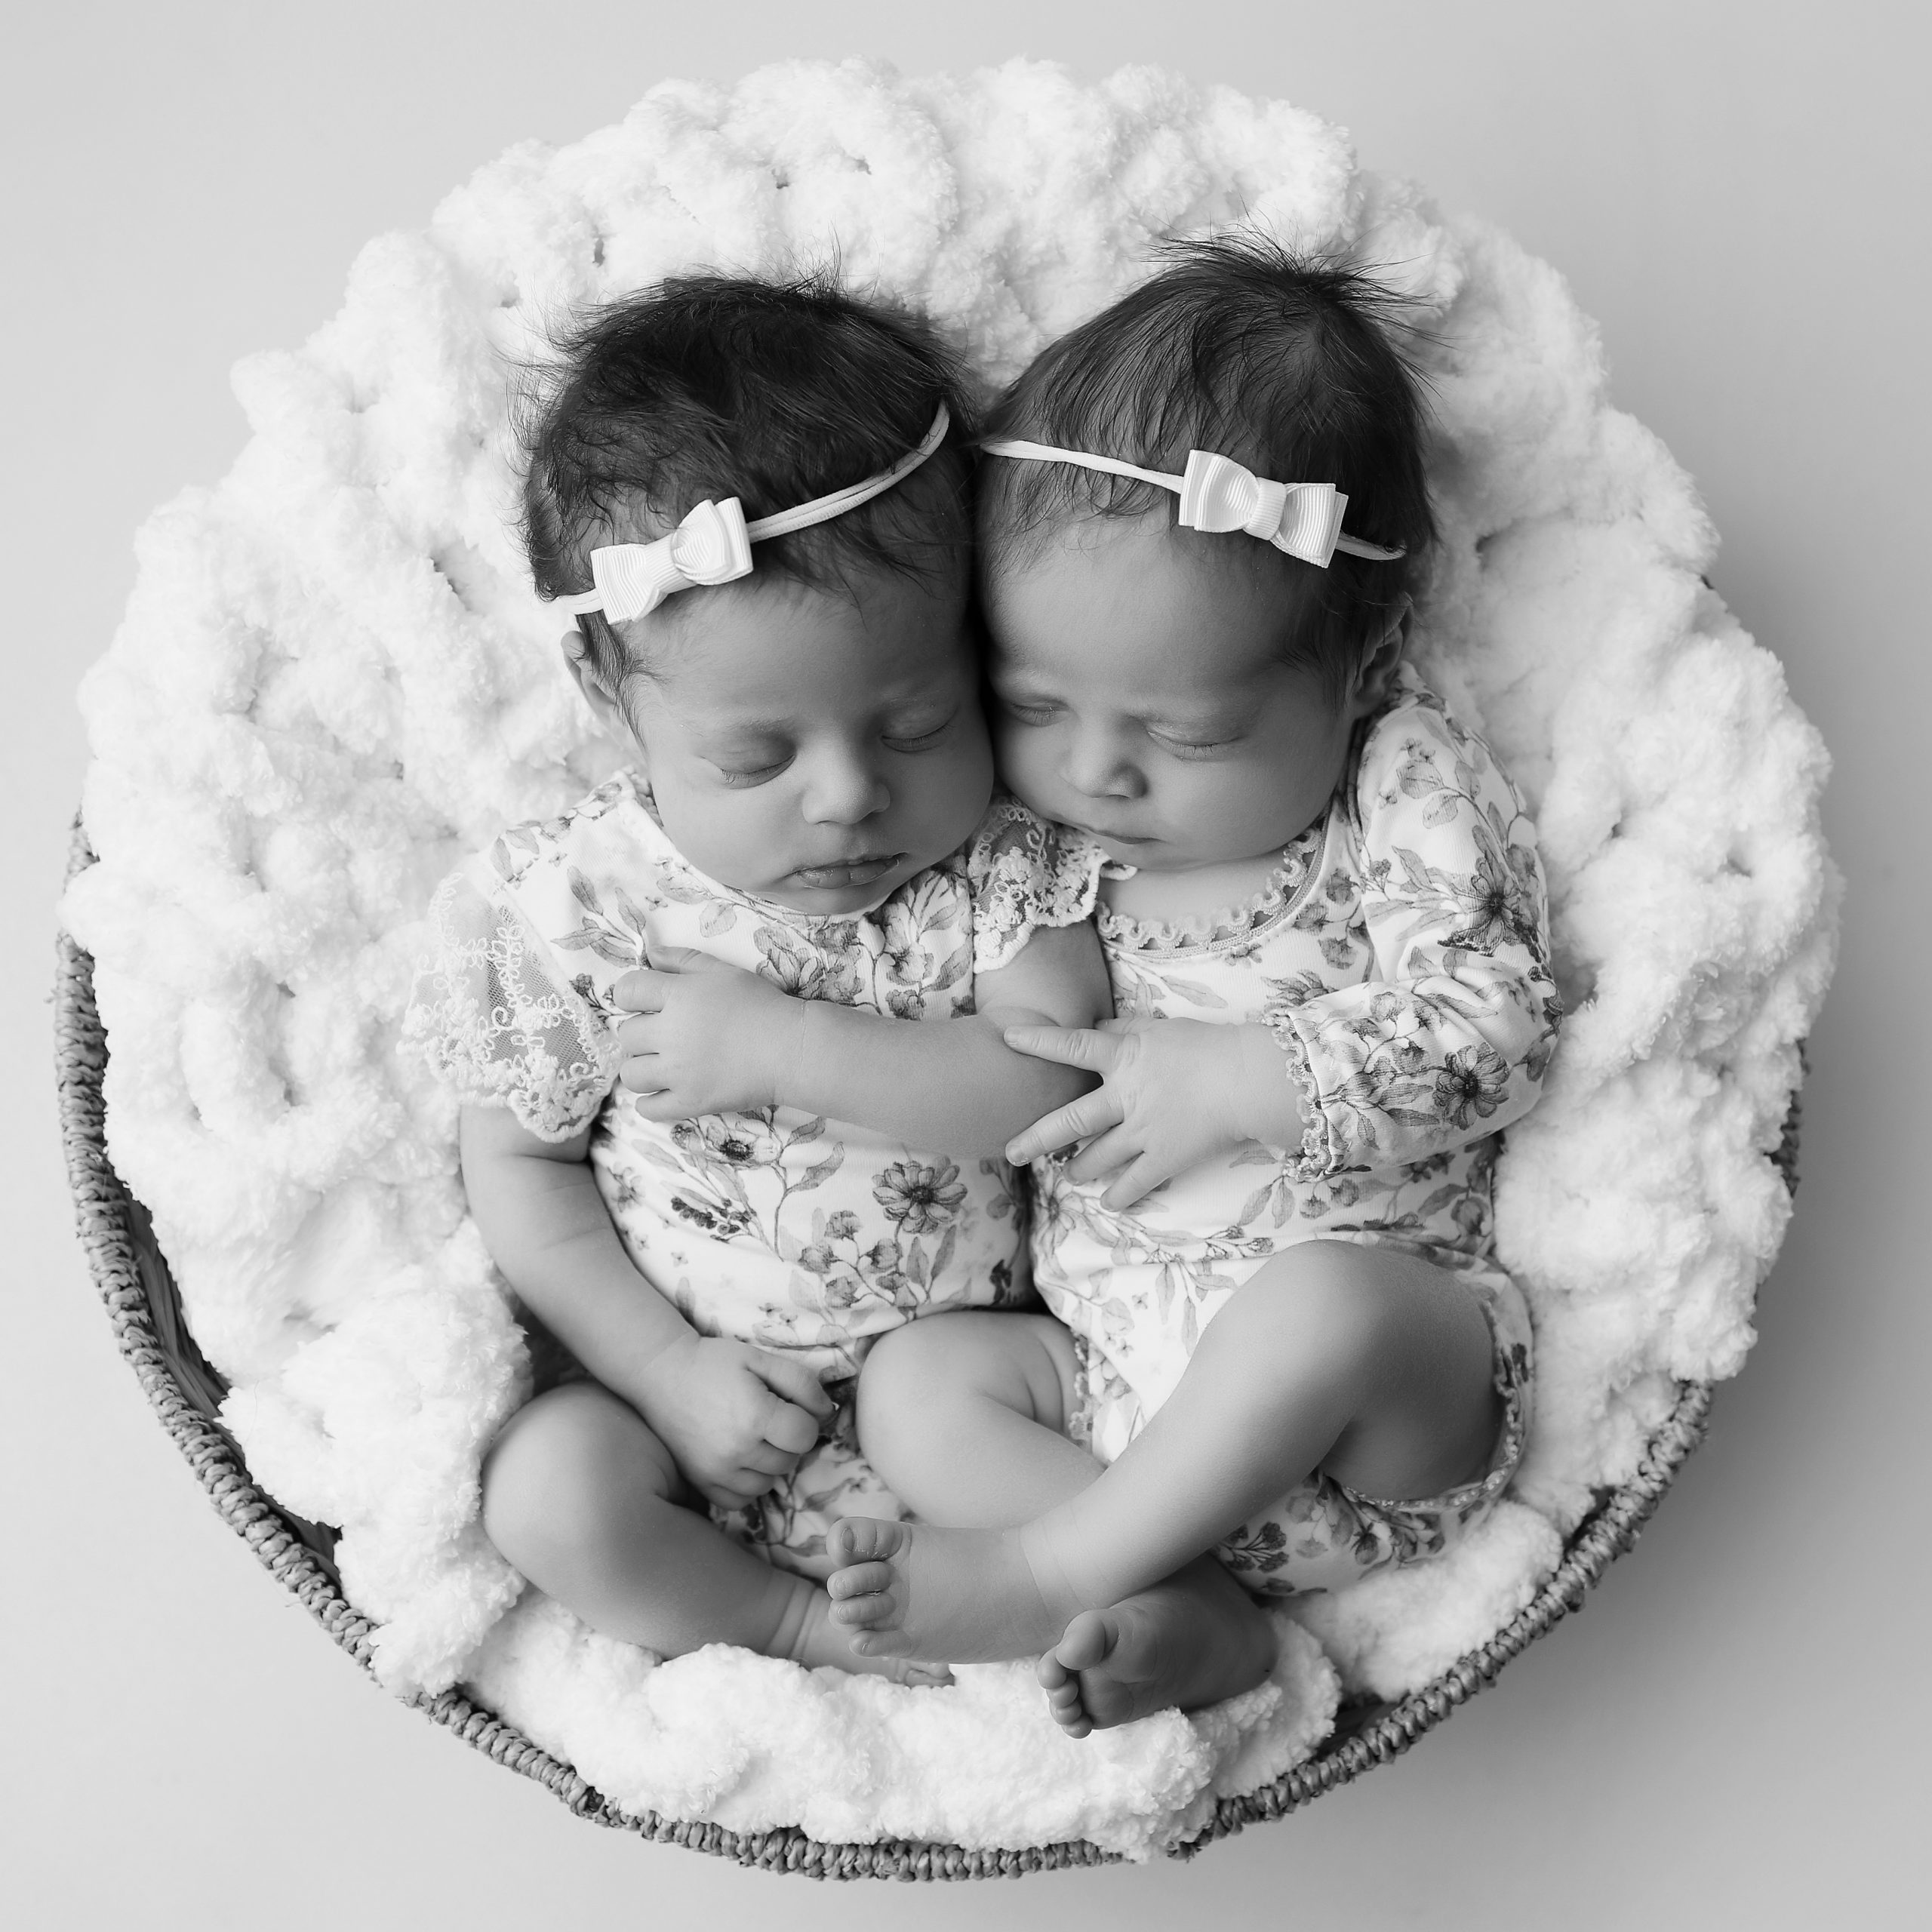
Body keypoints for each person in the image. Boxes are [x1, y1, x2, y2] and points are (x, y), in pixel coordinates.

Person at [655, 241, 1560, 1734]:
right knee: (920, 1384)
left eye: (1186, 733)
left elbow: (1500, 1027)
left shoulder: (1395, 783)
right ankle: (1181, 1601)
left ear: (1364, 659)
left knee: (1321, 1306)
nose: (1095, 769)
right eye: (1030, 704)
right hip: (1116, 1403)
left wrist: (1241, 1078)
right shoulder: (1023, 844)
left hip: (1384, 1407)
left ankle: (1049, 1567)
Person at [404, 271, 1111, 1679]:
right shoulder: (570, 905)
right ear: (611, 698)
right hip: (695, 1420)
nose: (848, 797)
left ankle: (1112, 1598)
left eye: (919, 722)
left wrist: (788, 1049)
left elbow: (1055, 1086)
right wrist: (664, 1375)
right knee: (548, 1488)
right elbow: (524, 1171)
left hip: (980, 1403)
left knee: (1103, 1479)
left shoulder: (998, 865)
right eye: (755, 757)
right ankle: (786, 1623)